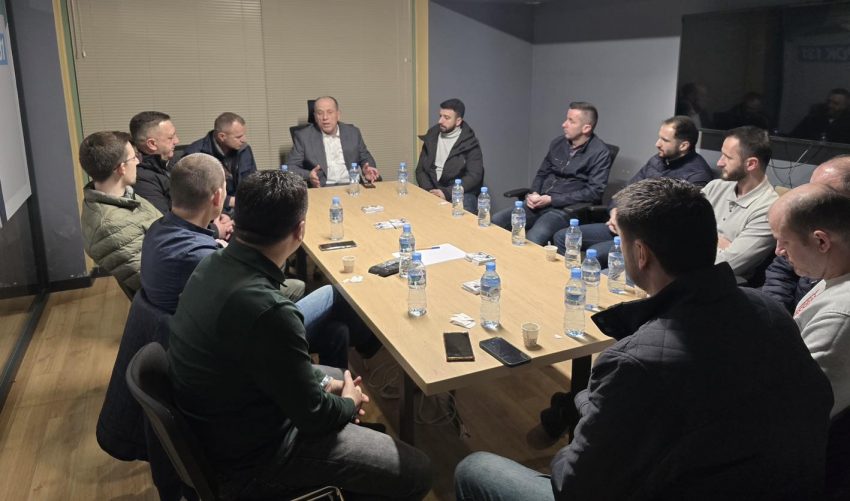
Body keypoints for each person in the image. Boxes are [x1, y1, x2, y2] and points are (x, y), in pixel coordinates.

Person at [455, 178, 833, 500]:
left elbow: (575, 485)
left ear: (640, 254)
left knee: (475, 468)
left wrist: (586, 409)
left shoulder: (635, 364)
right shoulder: (771, 311)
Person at [168, 170, 431, 500]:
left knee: (333, 372)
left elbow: (275, 366)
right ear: (300, 230)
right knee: (418, 471)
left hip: (224, 421)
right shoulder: (269, 311)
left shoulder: (212, 265)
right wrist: (348, 403)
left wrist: (324, 386)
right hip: (256, 458)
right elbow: (315, 416)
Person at [552, 115, 712, 265]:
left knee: (597, 253)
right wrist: (615, 212)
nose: (657, 144)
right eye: (659, 138)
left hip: (648, 240)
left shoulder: (697, 176)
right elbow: (624, 193)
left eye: (665, 140)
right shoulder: (658, 160)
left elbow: (672, 222)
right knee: (563, 237)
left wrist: (627, 223)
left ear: (684, 145)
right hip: (624, 225)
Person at [769, 183, 850, 419]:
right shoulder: (833, 273)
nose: (778, 251)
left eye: (784, 242)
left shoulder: (838, 317)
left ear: (821, 242)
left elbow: (796, 409)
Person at [491, 102, 612, 245]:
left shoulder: (600, 152)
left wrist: (552, 200)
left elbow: (594, 192)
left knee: (534, 237)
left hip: (567, 209)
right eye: (566, 119)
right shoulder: (558, 143)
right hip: (541, 202)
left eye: (571, 121)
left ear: (586, 128)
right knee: (497, 220)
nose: (564, 124)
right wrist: (534, 193)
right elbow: (542, 173)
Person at [762, 155, 850, 313]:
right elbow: (780, 272)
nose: (810, 199)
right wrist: (776, 315)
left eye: (824, 195)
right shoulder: (800, 226)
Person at [79, 131, 162, 294]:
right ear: (122, 168)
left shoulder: (123, 196)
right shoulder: (110, 226)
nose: (138, 161)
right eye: (134, 158)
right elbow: (158, 281)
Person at [701, 126, 778, 282]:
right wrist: (718, 241)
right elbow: (678, 229)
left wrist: (700, 235)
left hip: (719, 285)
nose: (719, 162)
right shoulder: (715, 186)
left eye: (727, 157)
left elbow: (726, 265)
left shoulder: (769, 209)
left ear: (751, 164)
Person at [288, 96, 380, 187]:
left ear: (338, 115)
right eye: (320, 113)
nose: (325, 117)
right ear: (315, 117)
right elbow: (290, 167)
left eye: (330, 112)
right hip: (322, 187)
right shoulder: (303, 136)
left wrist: (367, 169)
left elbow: (365, 157)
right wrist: (309, 175)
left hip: (352, 186)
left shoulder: (353, 132)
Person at [415, 98, 484, 212]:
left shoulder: (470, 143)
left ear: (458, 121)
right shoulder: (431, 136)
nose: (440, 121)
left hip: (457, 192)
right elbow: (421, 170)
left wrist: (446, 193)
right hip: (431, 189)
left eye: (446, 118)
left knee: (464, 210)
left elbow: (474, 176)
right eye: (440, 116)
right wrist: (429, 191)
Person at [182, 112, 257, 212]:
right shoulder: (195, 155)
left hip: (242, 208)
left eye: (243, 135)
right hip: (211, 211)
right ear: (222, 136)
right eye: (238, 137)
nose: (244, 140)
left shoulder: (244, 149)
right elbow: (195, 195)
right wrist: (229, 201)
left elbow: (253, 182)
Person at [129, 111, 180, 215]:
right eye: (170, 137)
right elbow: (163, 220)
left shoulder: (172, 163)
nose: (177, 141)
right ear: (152, 144)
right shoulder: (141, 180)